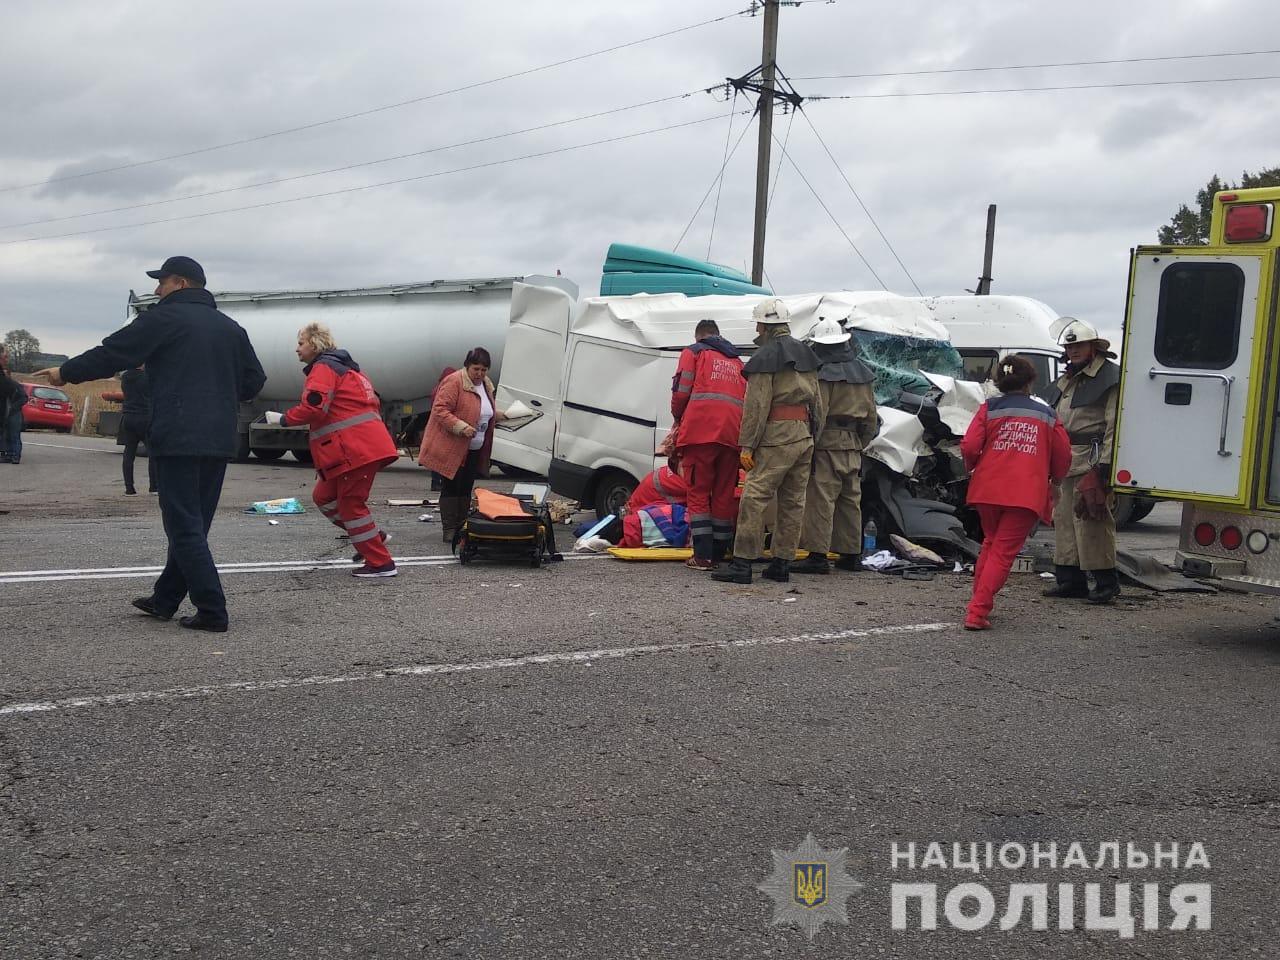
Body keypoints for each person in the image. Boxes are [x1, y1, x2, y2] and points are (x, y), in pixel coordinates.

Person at [36, 256, 266, 633]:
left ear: (179, 282)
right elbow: (254, 380)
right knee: (195, 523)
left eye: (161, 282)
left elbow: (113, 352)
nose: (157, 290)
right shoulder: (231, 328)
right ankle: (165, 598)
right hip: (220, 436)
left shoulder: (163, 319)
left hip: (177, 434)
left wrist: (65, 372)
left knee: (182, 525)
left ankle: (212, 609)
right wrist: (215, 397)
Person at [267, 323, 400, 578]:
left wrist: (282, 419)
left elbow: (315, 408)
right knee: (324, 497)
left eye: (301, 343)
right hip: (358, 448)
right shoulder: (348, 370)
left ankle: (381, 563)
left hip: (354, 450)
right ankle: (374, 537)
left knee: (351, 505)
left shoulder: (323, 369)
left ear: (315, 344)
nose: (297, 349)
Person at [713, 298, 824, 585]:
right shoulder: (806, 354)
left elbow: (756, 406)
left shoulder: (765, 358)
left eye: (758, 323)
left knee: (755, 496)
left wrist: (747, 445)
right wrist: (814, 436)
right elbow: (818, 403)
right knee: (793, 501)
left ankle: (742, 564)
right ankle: (781, 563)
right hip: (804, 435)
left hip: (776, 436)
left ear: (763, 325)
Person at [960, 355, 1072, 630]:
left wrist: (974, 468)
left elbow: (970, 446)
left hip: (987, 488)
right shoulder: (1046, 413)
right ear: (1030, 381)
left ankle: (979, 598)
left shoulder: (989, 407)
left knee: (990, 542)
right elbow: (1063, 455)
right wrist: (1055, 483)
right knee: (1003, 551)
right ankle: (977, 611)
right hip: (1025, 493)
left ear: (999, 381)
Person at [1040, 317, 1123, 604]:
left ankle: (1105, 582)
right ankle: (1070, 579)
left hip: (1092, 456)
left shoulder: (1110, 378)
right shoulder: (1066, 380)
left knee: (1093, 518)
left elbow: (1115, 424)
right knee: (1062, 518)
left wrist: (1105, 468)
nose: (1073, 350)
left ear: (1093, 347)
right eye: (1069, 346)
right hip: (1065, 457)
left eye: (1079, 345)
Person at [793, 316, 879, 575]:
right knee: (850, 500)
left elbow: (818, 414)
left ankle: (817, 556)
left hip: (827, 444)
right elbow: (871, 417)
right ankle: (851, 554)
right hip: (852, 444)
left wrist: (810, 445)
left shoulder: (823, 375)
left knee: (822, 498)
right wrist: (859, 443)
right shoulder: (862, 374)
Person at [671, 318, 747, 570]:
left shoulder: (693, 353)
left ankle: (702, 556)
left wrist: (677, 418)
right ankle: (720, 553)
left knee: (698, 492)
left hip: (700, 430)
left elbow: (681, 390)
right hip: (732, 434)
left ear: (698, 336)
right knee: (724, 493)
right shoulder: (736, 361)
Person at [418, 347, 510, 543]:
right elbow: (440, 410)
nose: (480, 374)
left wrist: (506, 416)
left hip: (475, 447)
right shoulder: (454, 382)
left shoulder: (486, 384)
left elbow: (486, 411)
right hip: (454, 445)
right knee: (452, 486)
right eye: (476, 369)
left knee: (466, 487)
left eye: (484, 370)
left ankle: (462, 525)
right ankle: (449, 529)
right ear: (467, 366)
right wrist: (460, 426)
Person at [101, 366, 157, 495]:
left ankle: (129, 488)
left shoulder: (125, 377)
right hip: (144, 417)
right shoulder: (147, 377)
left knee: (129, 452)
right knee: (152, 453)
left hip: (128, 417)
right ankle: (153, 487)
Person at [0, 345, 25, 465]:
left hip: (15, 413)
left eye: (5, 373)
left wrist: (15, 407)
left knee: (14, 435)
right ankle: (7, 455)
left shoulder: (15, 385)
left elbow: (24, 397)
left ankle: (16, 455)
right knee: (6, 435)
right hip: (5, 412)